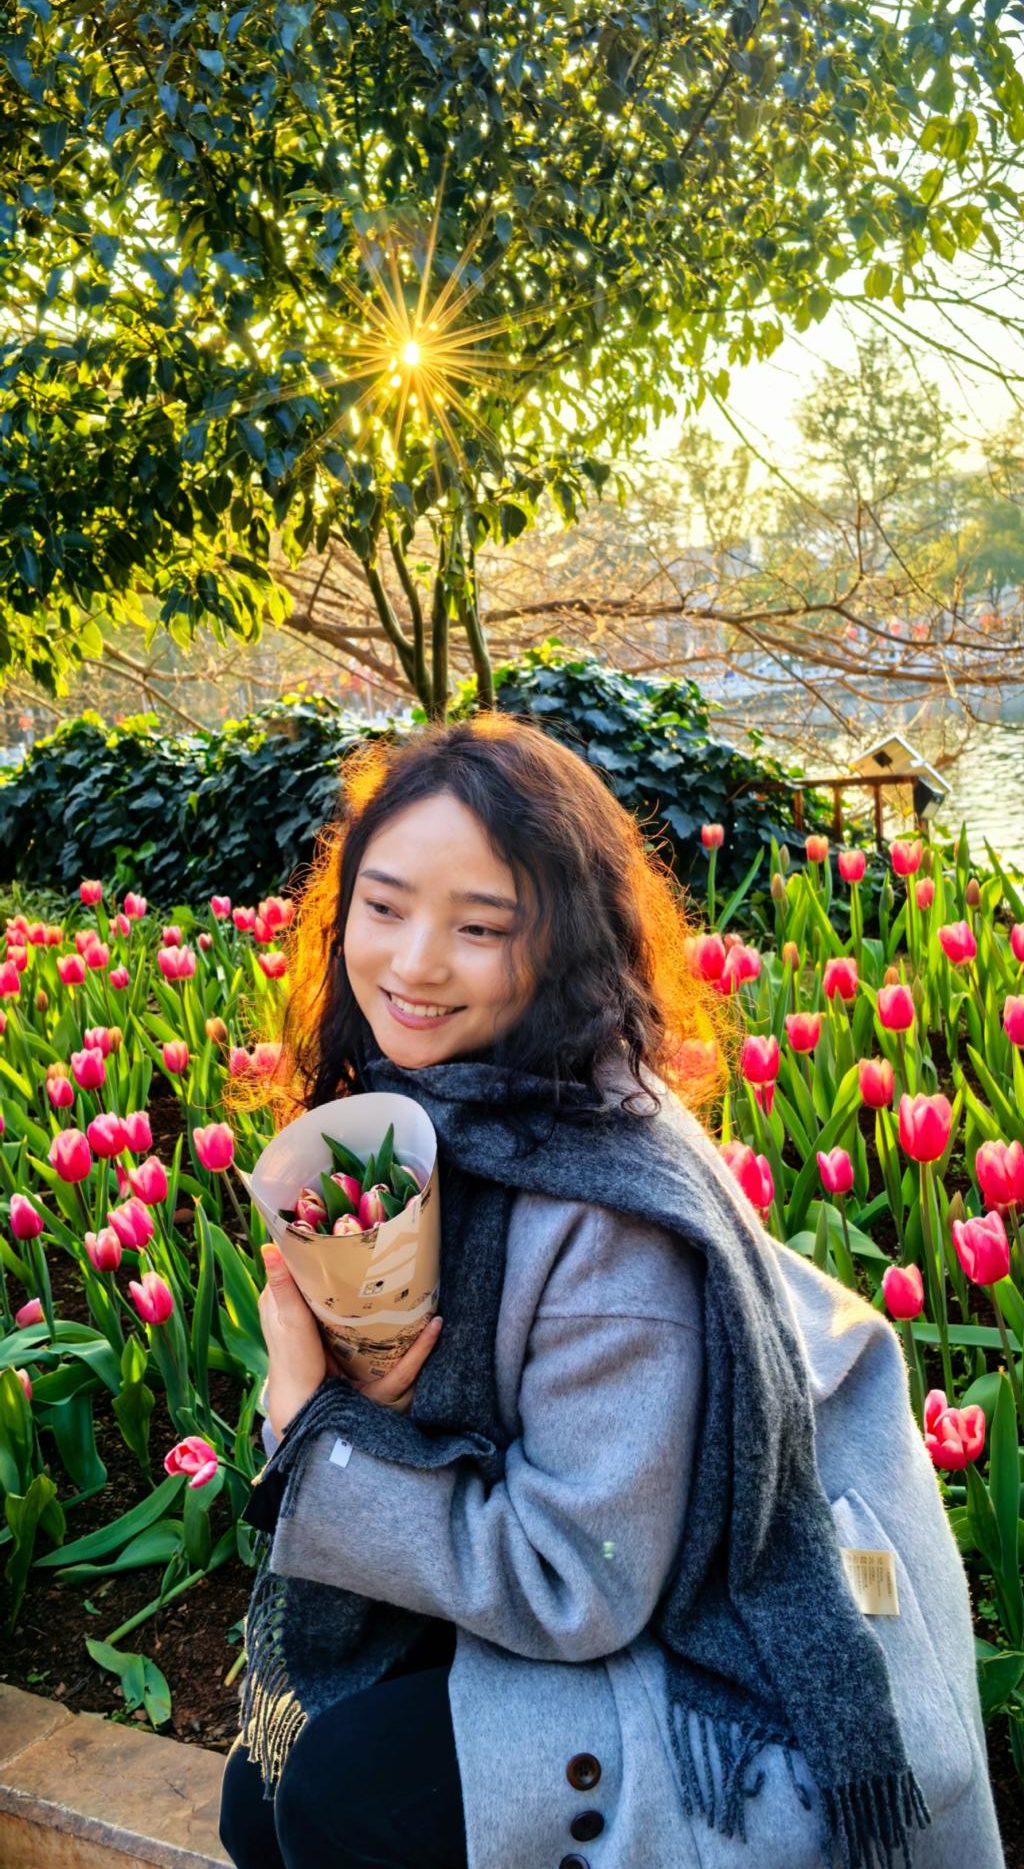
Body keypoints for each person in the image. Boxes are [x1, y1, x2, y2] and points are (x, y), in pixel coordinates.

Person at [219, 714, 1002, 1869]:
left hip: (695, 1639)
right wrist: (371, 1395)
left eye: (479, 927)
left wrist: (314, 1425)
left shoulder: (606, 1214)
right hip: (596, 1567)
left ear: (564, 947)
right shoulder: (440, 1121)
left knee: (342, 1795)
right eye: (382, 908)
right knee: (261, 1790)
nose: (414, 963)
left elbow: (579, 1583)